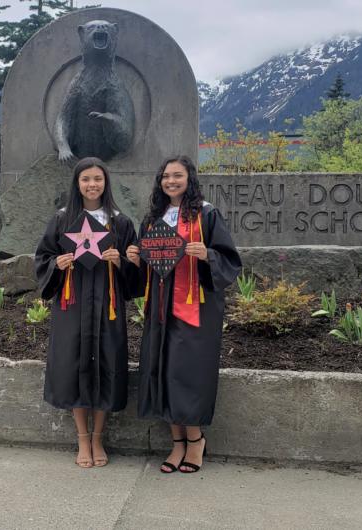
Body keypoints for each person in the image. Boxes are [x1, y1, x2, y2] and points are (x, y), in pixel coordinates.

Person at [126, 155, 241, 474]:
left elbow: (229, 259)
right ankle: (176, 444)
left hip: (195, 309)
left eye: (177, 175)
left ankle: (195, 441)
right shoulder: (153, 219)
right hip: (160, 307)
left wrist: (207, 255)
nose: (171, 181)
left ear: (189, 178)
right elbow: (146, 266)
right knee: (161, 370)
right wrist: (135, 258)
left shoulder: (206, 213)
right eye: (165, 176)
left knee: (185, 373)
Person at [34, 157, 138, 468]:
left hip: (107, 306)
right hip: (73, 304)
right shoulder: (63, 220)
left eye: (98, 179)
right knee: (74, 365)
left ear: (106, 182)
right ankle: (82, 437)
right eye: (85, 179)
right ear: (77, 184)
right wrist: (57, 264)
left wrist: (119, 260)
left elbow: (136, 270)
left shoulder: (120, 223)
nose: (92, 184)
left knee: (107, 363)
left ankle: (98, 438)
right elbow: (43, 258)